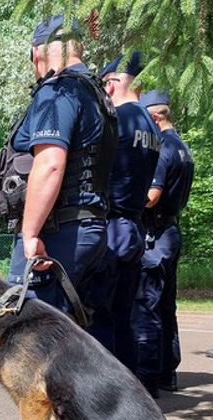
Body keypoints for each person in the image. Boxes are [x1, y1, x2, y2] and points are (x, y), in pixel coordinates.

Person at [0, 14, 116, 420]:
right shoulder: (98, 93)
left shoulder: (59, 91)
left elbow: (50, 164)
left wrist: (30, 231)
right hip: (91, 227)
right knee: (78, 345)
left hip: (59, 232)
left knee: (34, 344)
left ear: (41, 53)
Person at [87, 53, 161, 374]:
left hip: (112, 227)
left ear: (114, 83)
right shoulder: (152, 127)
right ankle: (138, 390)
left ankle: (103, 402)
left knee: (100, 315)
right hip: (134, 227)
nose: (104, 94)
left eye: (104, 86)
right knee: (123, 317)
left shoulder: (118, 120)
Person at [133, 89, 194, 395]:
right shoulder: (183, 147)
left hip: (154, 236)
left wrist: (126, 197)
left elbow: (151, 197)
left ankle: (148, 378)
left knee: (147, 305)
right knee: (166, 305)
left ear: (156, 117)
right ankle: (168, 370)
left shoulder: (162, 148)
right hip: (170, 231)